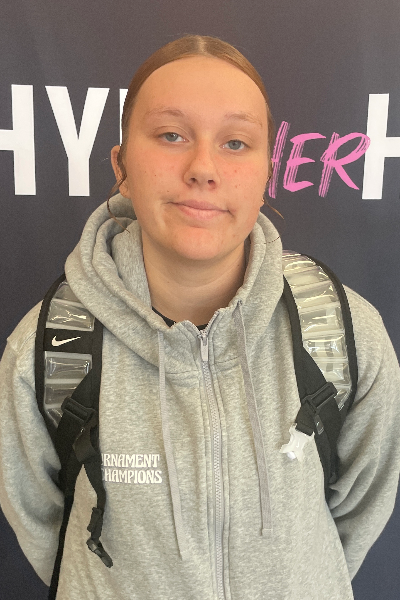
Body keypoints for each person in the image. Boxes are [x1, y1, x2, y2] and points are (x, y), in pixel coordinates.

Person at [0, 34, 400, 600]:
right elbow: (46, 528)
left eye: (236, 142)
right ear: (121, 166)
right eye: (171, 135)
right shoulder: (47, 348)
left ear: (266, 172)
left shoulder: (343, 331)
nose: (204, 168)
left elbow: (356, 513)